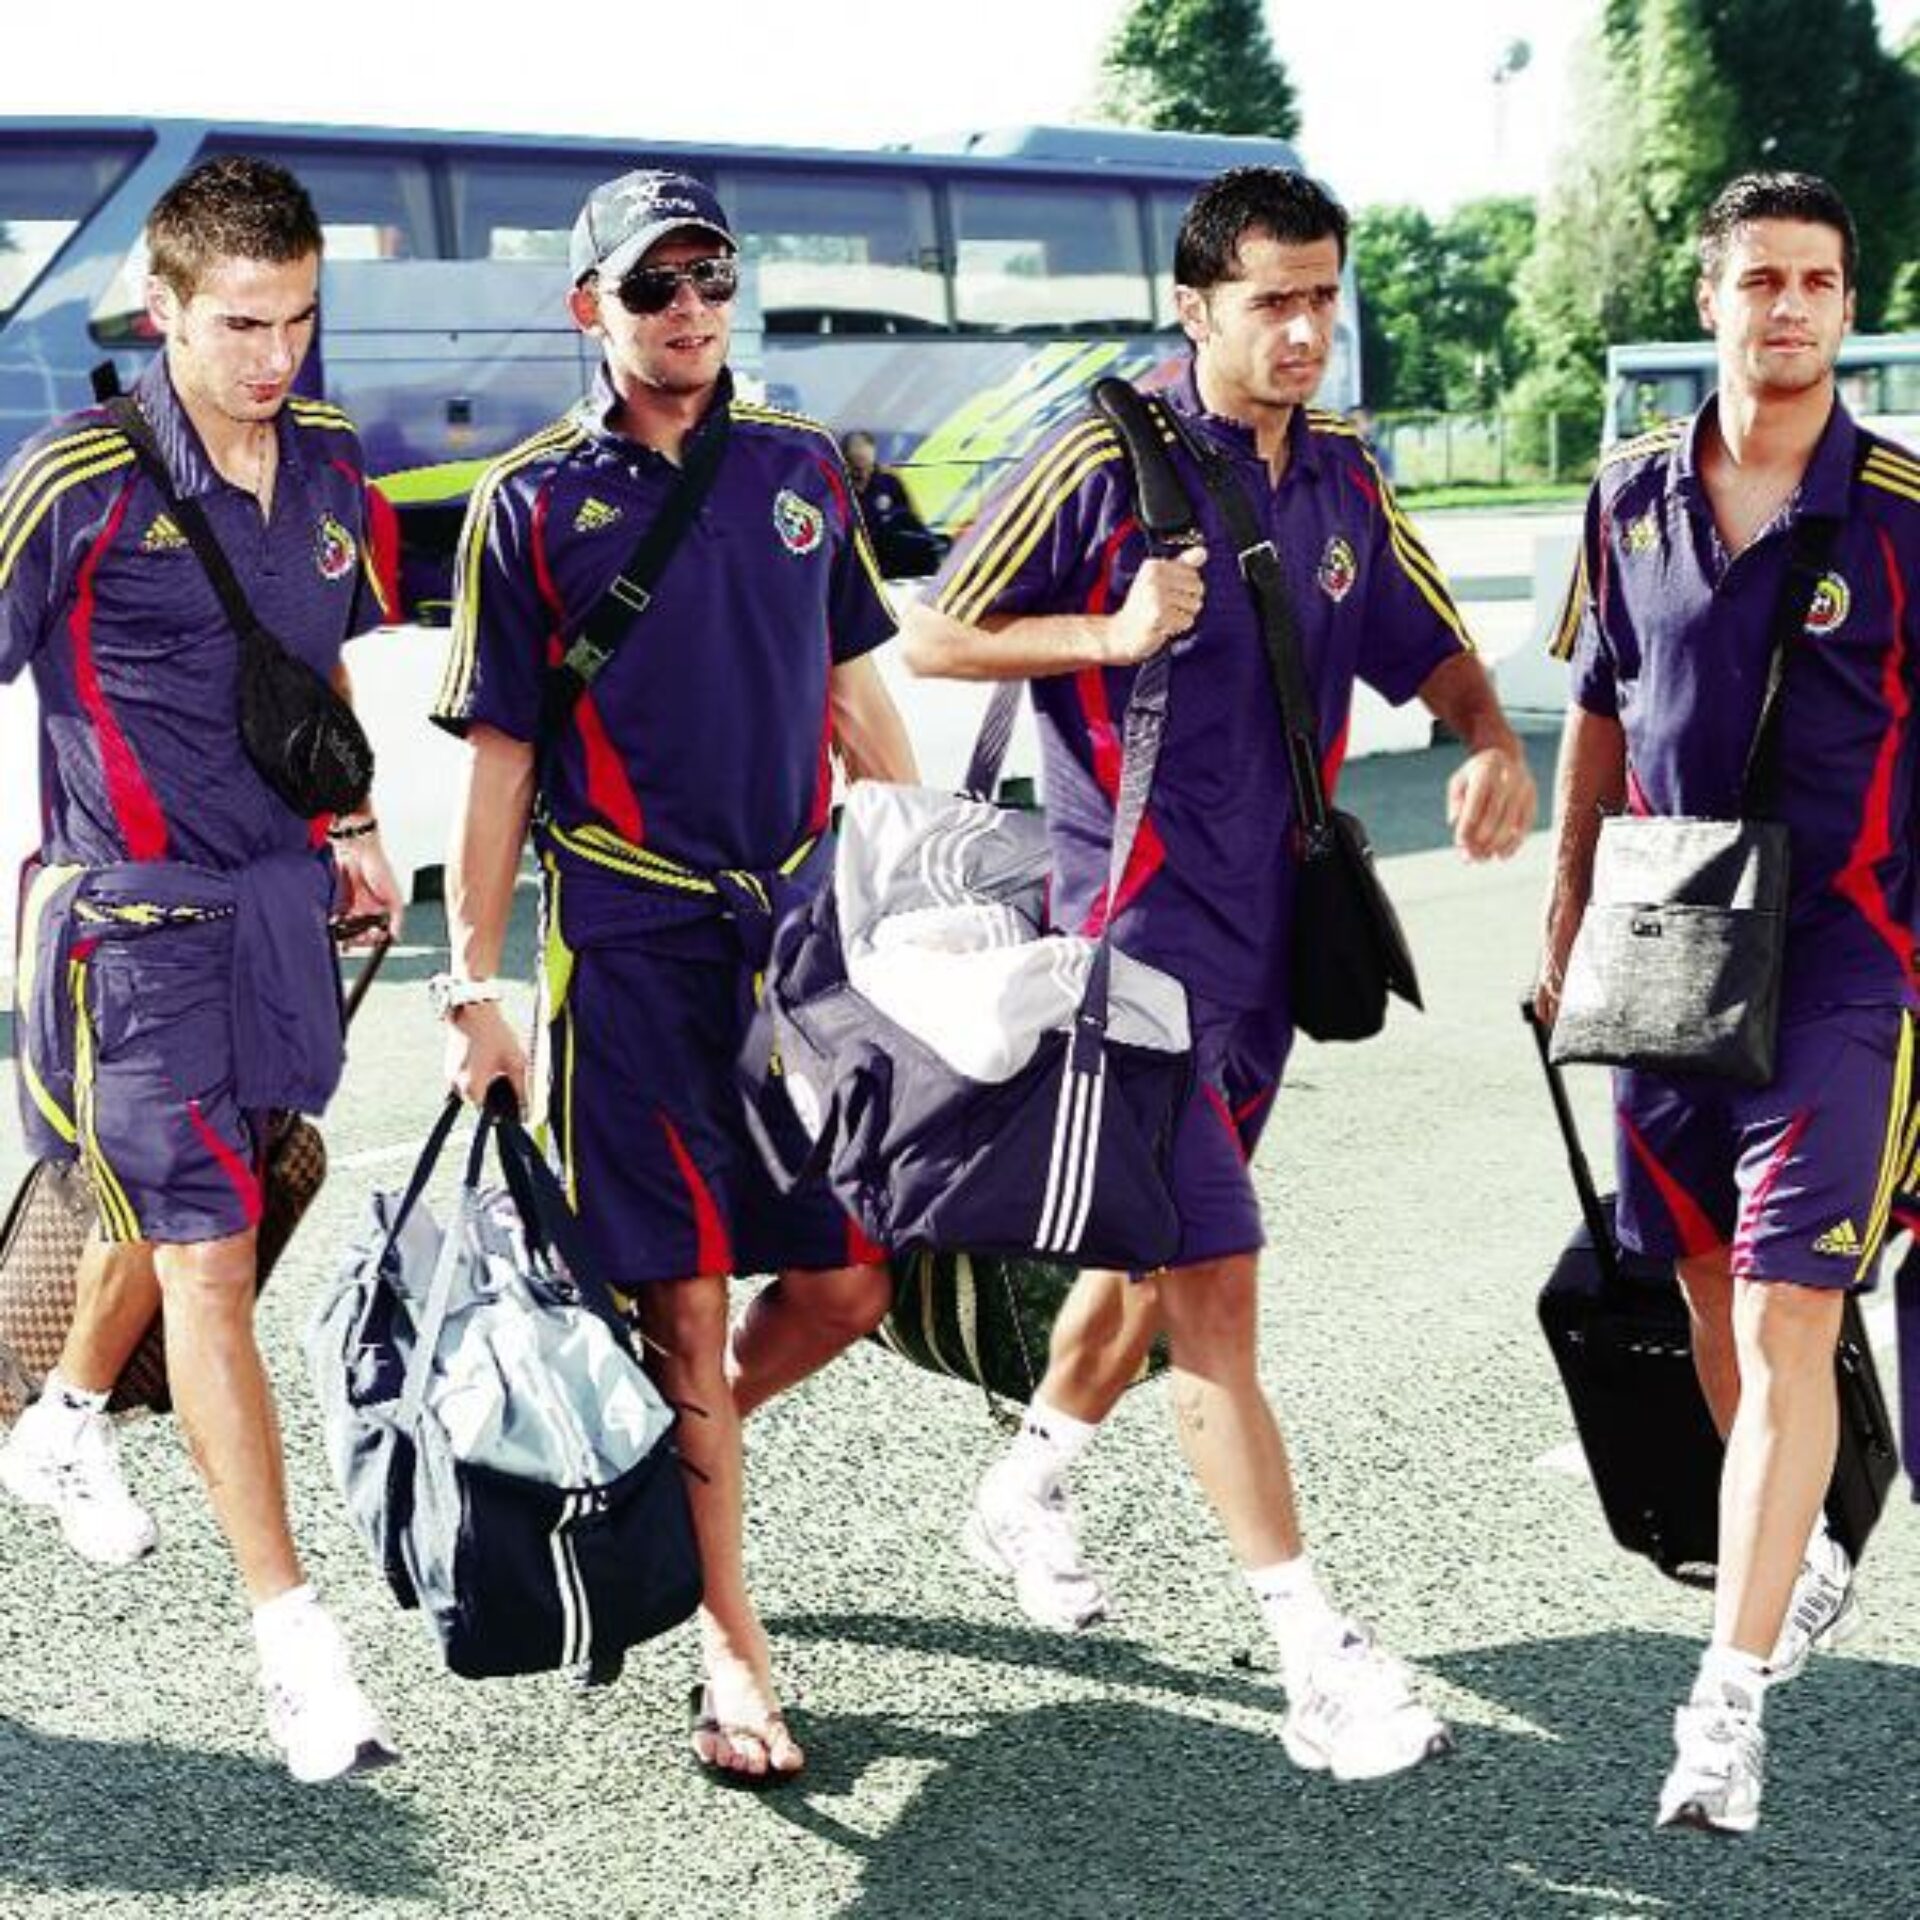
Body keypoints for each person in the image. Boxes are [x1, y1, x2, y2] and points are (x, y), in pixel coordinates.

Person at [901, 166, 1536, 1781]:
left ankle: (1021, 1485)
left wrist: (1483, 737)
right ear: (1195, 307)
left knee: (1149, 1262)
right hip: (1130, 950)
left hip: (1271, 952)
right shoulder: (1101, 459)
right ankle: (1317, 1663)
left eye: (1324, 297)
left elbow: (1431, 647)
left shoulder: (1345, 475)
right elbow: (938, 636)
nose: (1305, 330)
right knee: (1215, 1290)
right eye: (1272, 301)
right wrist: (1109, 636)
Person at [433, 169, 917, 1787]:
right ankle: (730, 1643)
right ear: (593, 308)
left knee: (850, 1284)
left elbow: (857, 697)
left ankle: (674, 1447)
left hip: (798, 944)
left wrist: (926, 890)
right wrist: (471, 985)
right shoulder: (525, 504)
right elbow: (501, 768)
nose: (692, 308)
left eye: (711, 276)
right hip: (629, 948)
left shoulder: (801, 472)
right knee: (689, 1301)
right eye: (655, 285)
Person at [0, 156, 403, 1782]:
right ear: (160, 308)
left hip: (281, 913)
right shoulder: (71, 480)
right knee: (213, 1258)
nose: (274, 356)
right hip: (130, 929)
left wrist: (357, 822)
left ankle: (57, 1421)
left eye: (298, 319)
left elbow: (322, 666)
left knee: (201, 1202)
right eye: (241, 323)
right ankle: (301, 1657)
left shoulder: (333, 462)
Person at [1536, 171, 1920, 1836]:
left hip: (1848, 959)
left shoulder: (1905, 510)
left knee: (1784, 1312)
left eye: (1819, 281)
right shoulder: (1627, 493)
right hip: (1668, 939)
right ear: (1711, 300)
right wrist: (1563, 906)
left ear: (1848, 305)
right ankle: (1809, 1540)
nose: (1791, 308)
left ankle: (1725, 1705)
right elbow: (1598, 706)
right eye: (1762, 279)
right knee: (1704, 1281)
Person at [841, 429, 946, 578]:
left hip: (892, 559)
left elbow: (910, 518)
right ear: (845, 455)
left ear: (873, 452)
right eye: (855, 448)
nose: (860, 453)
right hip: (858, 558)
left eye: (864, 447)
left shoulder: (889, 481)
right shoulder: (839, 486)